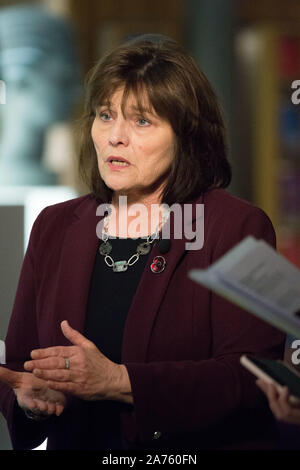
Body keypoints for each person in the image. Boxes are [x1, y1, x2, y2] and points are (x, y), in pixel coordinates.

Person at [0, 34, 285, 450]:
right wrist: (28, 401)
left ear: (186, 135)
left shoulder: (237, 226)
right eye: (105, 115)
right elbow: (19, 365)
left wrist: (119, 381)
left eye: (141, 121)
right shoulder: (55, 225)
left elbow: (254, 379)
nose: (115, 137)